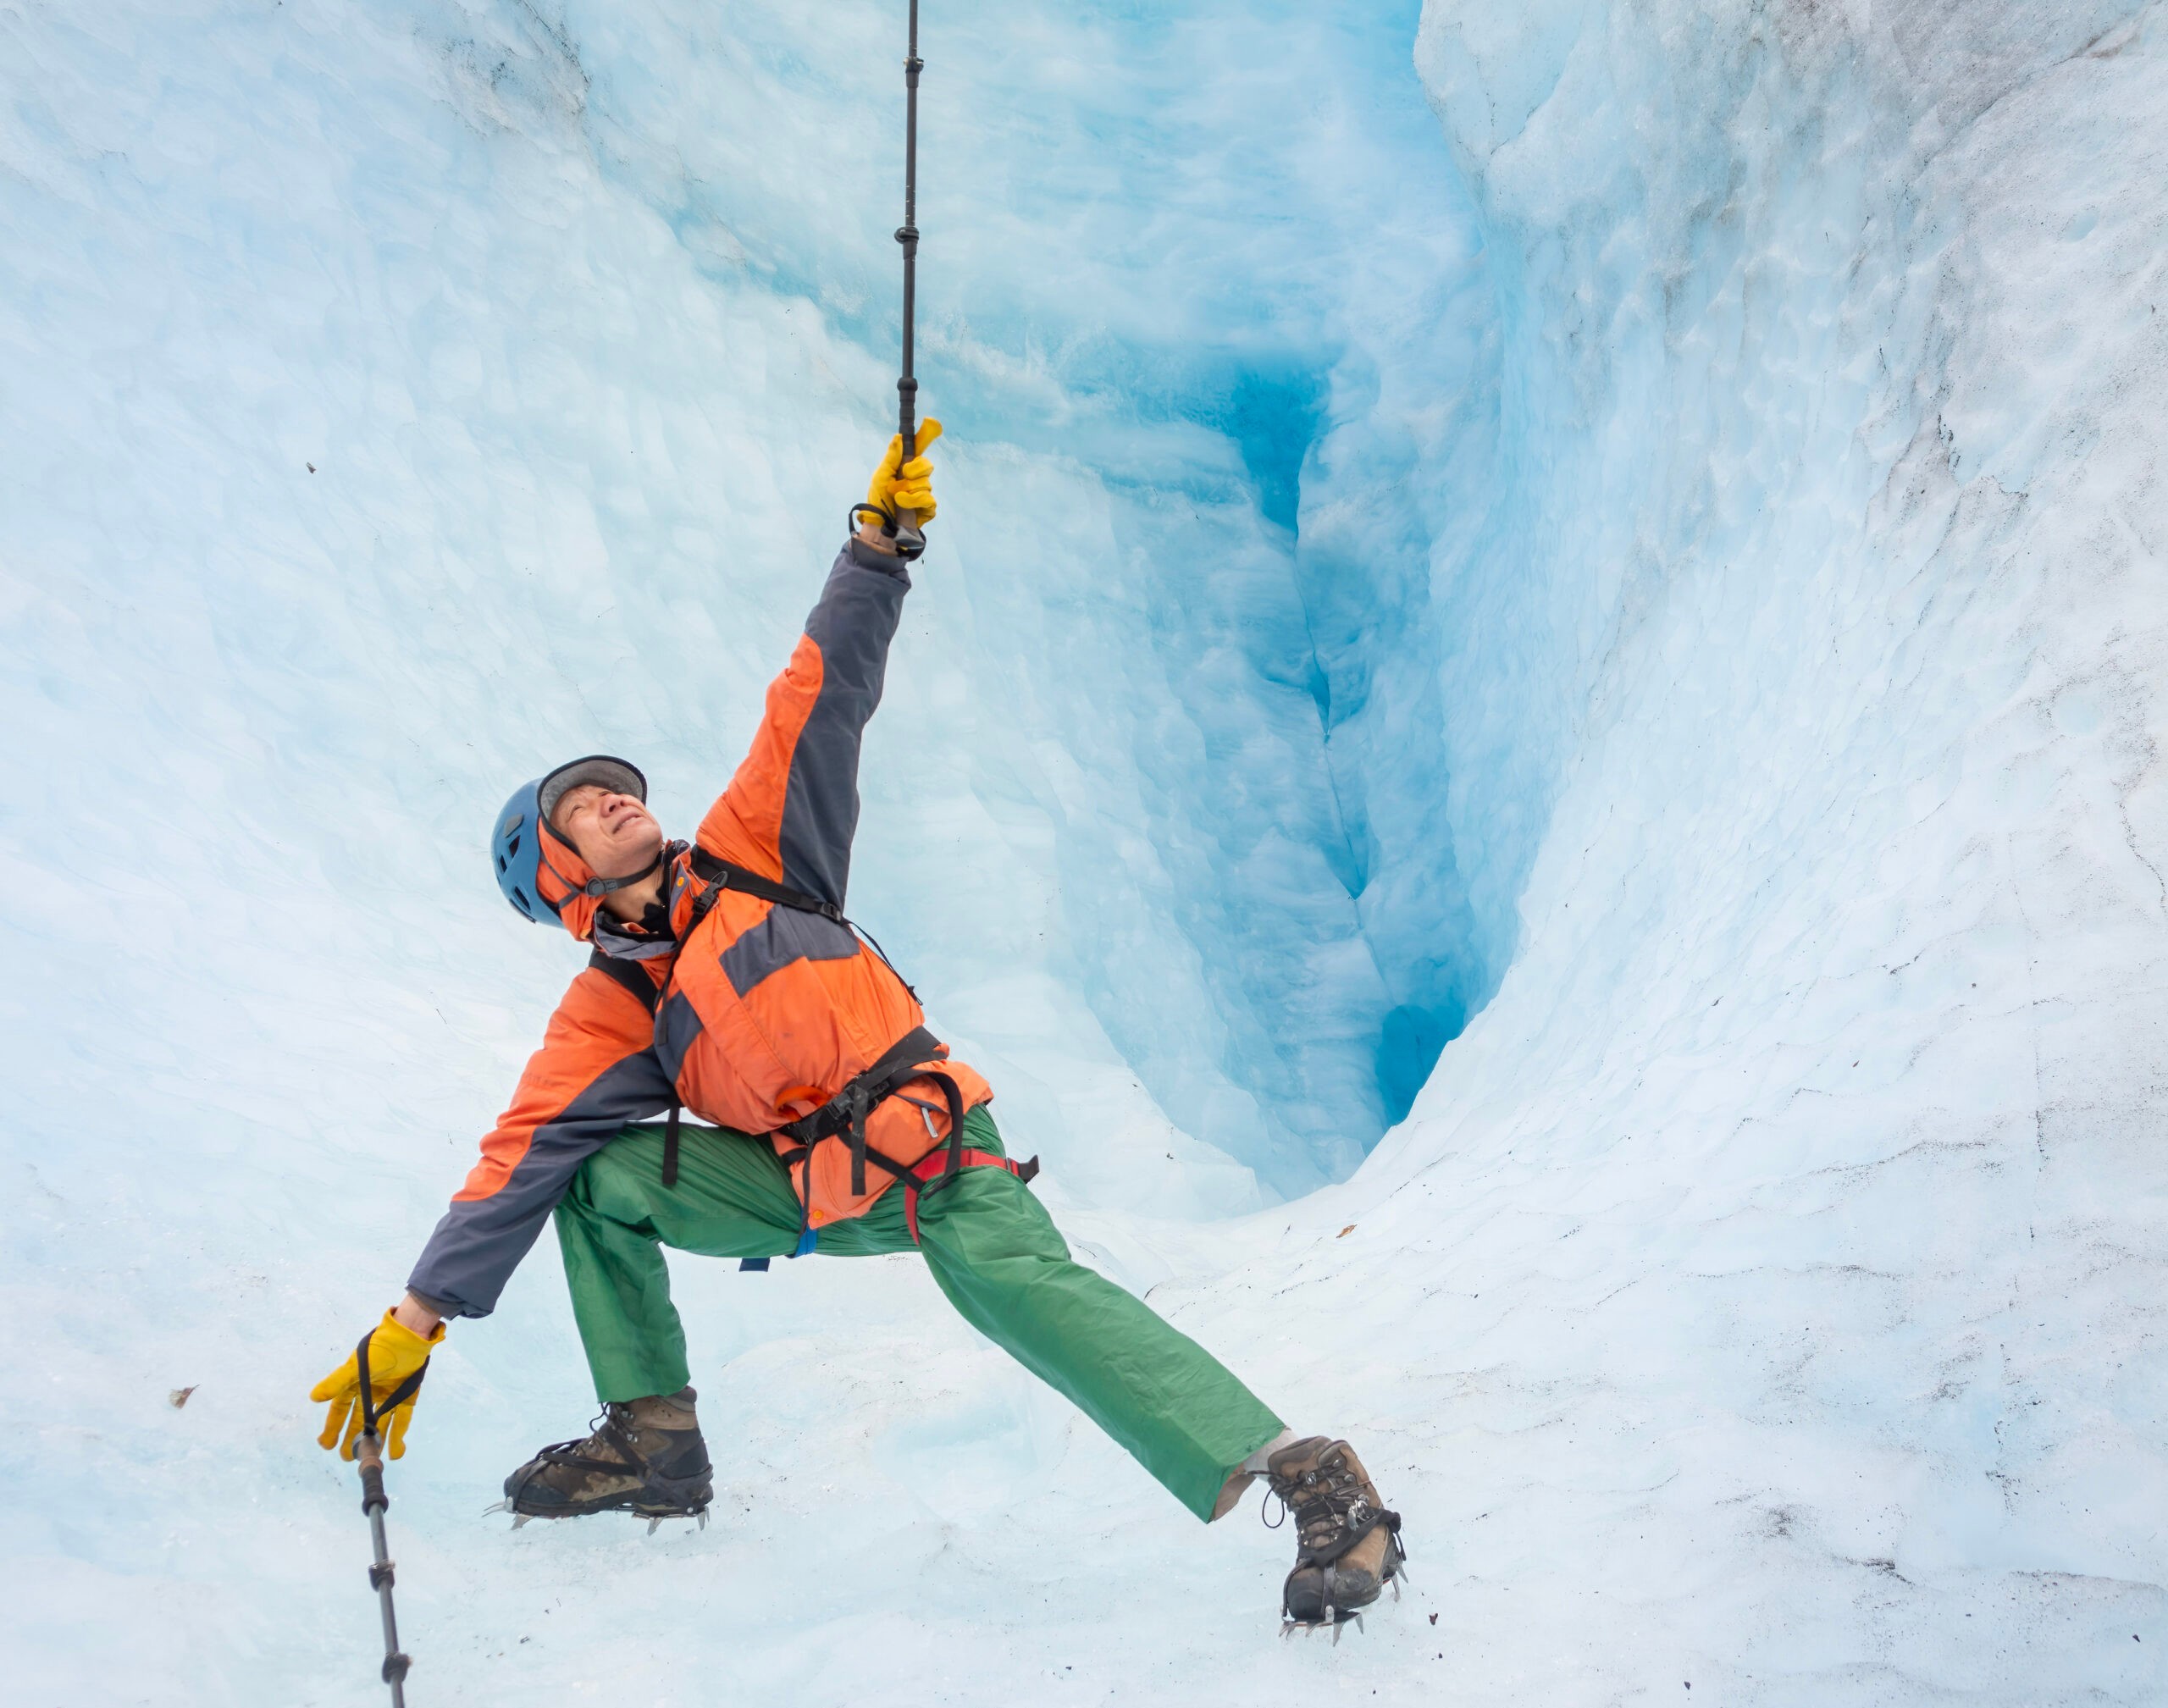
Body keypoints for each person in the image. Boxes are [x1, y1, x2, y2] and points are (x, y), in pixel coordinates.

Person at [309, 422, 1405, 1630]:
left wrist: (878, 549)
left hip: (934, 1150)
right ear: (560, 880)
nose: (613, 795)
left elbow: (818, 692)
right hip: (804, 1184)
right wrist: (415, 1322)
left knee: (1018, 1289)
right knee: (589, 1176)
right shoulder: (613, 1011)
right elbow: (519, 1154)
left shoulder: (751, 857)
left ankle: (1310, 1478)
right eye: (579, 808)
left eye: (611, 784)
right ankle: (653, 1440)